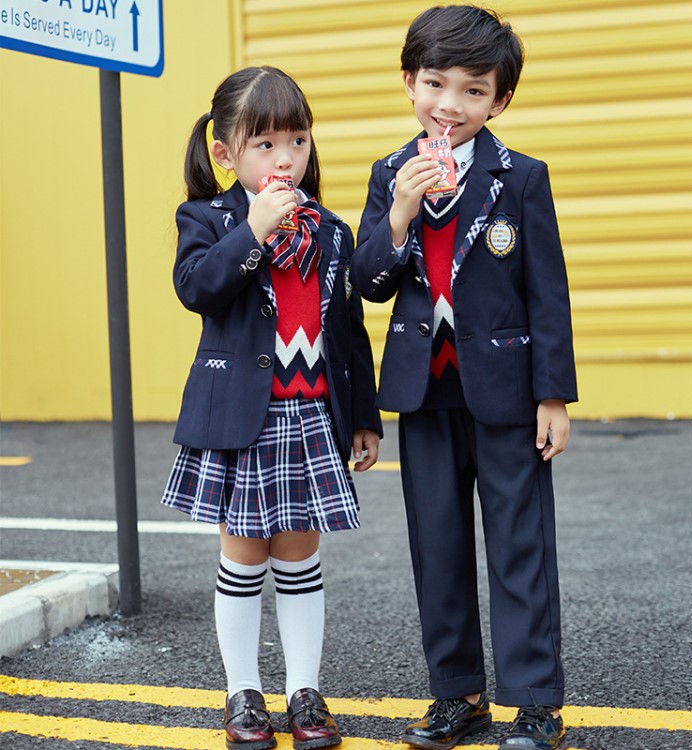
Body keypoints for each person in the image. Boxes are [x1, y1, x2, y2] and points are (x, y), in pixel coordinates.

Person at [350, 6, 577, 750]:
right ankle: (459, 695)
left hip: (507, 392)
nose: (450, 104)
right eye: (435, 83)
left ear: (499, 100)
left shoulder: (522, 179)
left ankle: (536, 702)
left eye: (473, 91)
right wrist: (399, 215)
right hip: (425, 390)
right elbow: (369, 282)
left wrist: (553, 395)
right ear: (409, 81)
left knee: (520, 544)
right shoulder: (391, 175)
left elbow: (548, 292)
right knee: (437, 546)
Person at [162, 66, 382, 750]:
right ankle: (243, 694)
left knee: (299, 556)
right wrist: (253, 231)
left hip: (311, 413)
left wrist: (365, 417)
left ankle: (305, 692)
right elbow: (197, 288)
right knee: (243, 558)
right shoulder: (209, 219)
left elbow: (348, 331)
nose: (285, 158)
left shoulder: (333, 232)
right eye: (264, 144)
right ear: (226, 152)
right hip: (242, 420)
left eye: (297, 140)